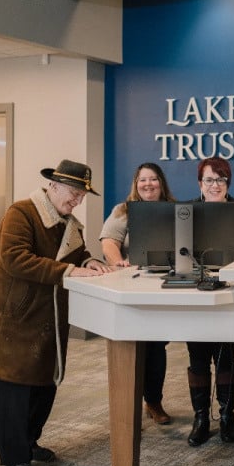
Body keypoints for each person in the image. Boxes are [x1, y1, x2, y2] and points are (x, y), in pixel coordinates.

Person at [0, 160, 112, 466]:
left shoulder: (69, 223)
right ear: (54, 186)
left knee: (44, 386)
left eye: (81, 195)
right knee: (14, 390)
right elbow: (15, 258)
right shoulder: (21, 213)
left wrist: (89, 261)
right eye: (74, 193)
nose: (77, 200)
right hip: (16, 319)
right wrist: (70, 272)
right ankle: (13, 458)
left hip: (49, 317)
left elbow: (76, 256)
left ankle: (28, 441)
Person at [185, 157, 234, 447]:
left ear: (228, 183)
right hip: (196, 292)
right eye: (209, 180)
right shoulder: (186, 212)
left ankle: (227, 415)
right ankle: (201, 417)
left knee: (226, 356)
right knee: (197, 356)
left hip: (230, 293)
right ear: (199, 183)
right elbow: (177, 253)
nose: (214, 185)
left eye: (220, 180)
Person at [99, 162, 177, 426]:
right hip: (132, 287)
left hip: (163, 287)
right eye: (143, 180)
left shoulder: (177, 210)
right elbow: (108, 241)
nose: (148, 184)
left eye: (153, 179)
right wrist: (118, 260)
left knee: (156, 345)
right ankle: (127, 406)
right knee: (131, 346)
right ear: (136, 184)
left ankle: (153, 401)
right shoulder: (123, 211)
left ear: (161, 183)